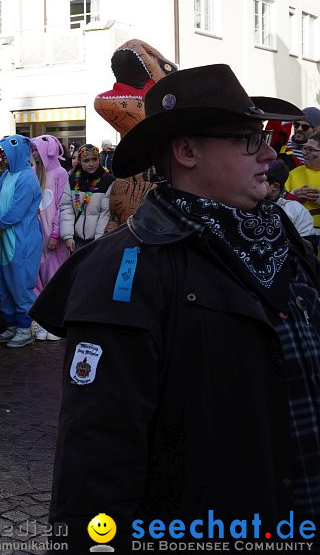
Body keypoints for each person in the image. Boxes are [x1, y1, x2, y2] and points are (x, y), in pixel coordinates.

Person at [32, 64, 320, 548]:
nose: (270, 155)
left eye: (267, 137)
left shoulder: (283, 237)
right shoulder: (125, 266)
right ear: (186, 151)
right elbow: (97, 456)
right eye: (249, 139)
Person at [0, 135, 42, 349]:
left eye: (4, 153)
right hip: (3, 239)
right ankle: (11, 323)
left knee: (20, 284)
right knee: (2, 284)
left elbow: (16, 212)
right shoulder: (6, 176)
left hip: (22, 240)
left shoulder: (27, 178)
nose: (2, 157)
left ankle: (23, 327)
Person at [31, 135, 72, 342]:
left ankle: (56, 323)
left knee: (54, 279)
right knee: (38, 280)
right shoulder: (34, 173)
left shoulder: (60, 173)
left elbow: (62, 205)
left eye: (38, 149)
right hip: (36, 237)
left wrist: (57, 232)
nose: (35, 154)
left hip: (53, 239)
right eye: (33, 150)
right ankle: (42, 321)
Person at [68, 144, 114, 249]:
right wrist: (68, 235)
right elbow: (67, 208)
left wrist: (98, 240)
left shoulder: (108, 181)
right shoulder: (72, 179)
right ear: (80, 161)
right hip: (76, 240)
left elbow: (105, 213)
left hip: (97, 240)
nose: (91, 164)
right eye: (86, 160)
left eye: (94, 159)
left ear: (99, 159)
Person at [267, 159, 316, 249]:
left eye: (261, 181)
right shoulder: (244, 203)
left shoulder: (296, 211)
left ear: (275, 186)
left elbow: (308, 252)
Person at [286, 132, 320, 238]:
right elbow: (277, 201)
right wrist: (293, 195)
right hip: (298, 234)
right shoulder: (292, 173)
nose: (304, 153)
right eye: (304, 148)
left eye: (310, 149)